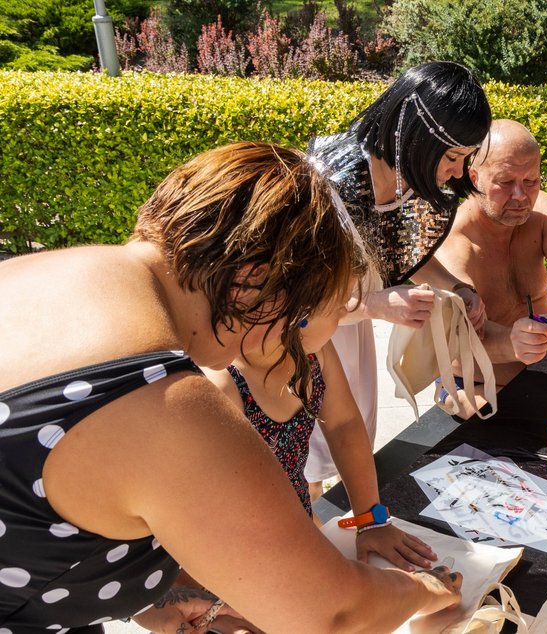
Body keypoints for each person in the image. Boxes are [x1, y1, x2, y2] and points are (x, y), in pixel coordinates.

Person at [0, 143, 461, 631]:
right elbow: (331, 614)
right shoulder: (163, 400)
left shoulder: (49, 273)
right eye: (304, 311)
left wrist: (151, 598)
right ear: (254, 280)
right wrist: (422, 591)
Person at [304, 61, 491, 497]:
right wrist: (374, 306)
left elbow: (399, 255)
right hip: (308, 338)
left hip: (348, 330)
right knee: (306, 461)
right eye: (452, 157)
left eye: (466, 158)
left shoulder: (405, 179)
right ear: (416, 136)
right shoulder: (327, 185)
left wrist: (457, 288)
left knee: (349, 445)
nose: (459, 173)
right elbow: (299, 306)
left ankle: (349, 526)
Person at [201, 318, 437, 570]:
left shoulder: (313, 348)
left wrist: (371, 520)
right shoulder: (220, 388)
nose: (337, 322)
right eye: (336, 310)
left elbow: (343, 425)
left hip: (298, 533)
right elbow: (214, 518)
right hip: (245, 562)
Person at [434, 119, 547, 391]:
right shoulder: (456, 241)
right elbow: (460, 337)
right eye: (505, 182)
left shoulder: (541, 211)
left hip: (545, 372)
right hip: (477, 386)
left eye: (531, 181)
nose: (520, 195)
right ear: (474, 178)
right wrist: (512, 343)